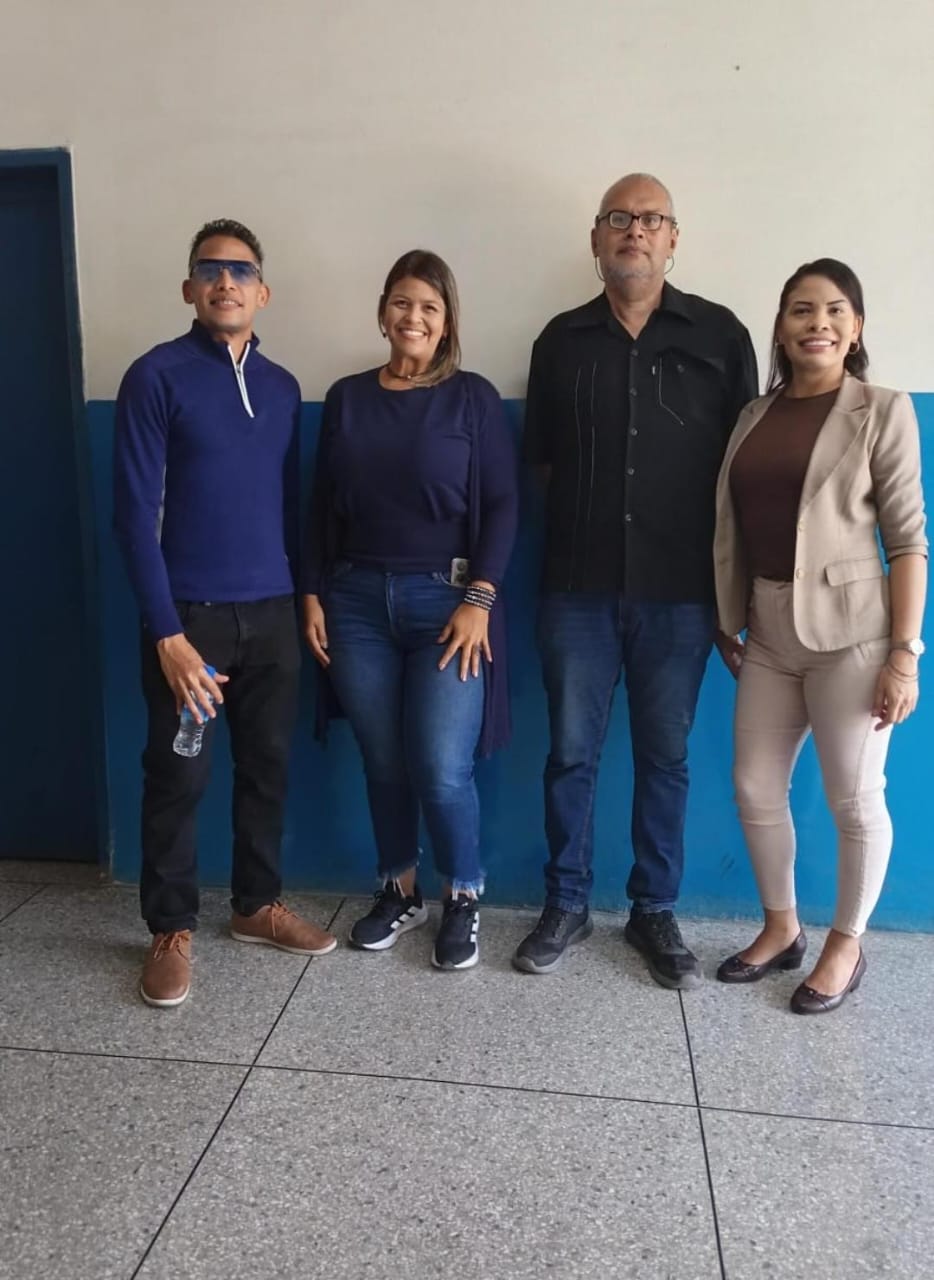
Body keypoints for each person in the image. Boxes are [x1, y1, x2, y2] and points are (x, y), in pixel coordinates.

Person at [514, 173, 758, 986]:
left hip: (682, 593)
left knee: (665, 758)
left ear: (673, 238)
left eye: (651, 219)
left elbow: (743, 469)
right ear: (596, 237)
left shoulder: (720, 336)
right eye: (619, 218)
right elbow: (543, 462)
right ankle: (566, 903)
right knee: (569, 754)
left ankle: (654, 910)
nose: (634, 231)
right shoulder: (559, 341)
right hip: (575, 587)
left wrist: (735, 594)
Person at [114, 218, 337, 1009]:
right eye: (210, 269)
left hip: (271, 616)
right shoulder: (155, 377)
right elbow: (133, 518)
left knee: (268, 769)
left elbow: (290, 507)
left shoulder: (281, 388)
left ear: (262, 292)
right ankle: (170, 929)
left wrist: (304, 597)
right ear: (189, 288)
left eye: (241, 270)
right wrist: (166, 634)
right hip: (192, 624)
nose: (225, 281)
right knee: (179, 775)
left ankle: (255, 906)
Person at [713, 258, 927, 1014]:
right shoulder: (754, 414)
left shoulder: (882, 409)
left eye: (835, 310)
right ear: (780, 327)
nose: (818, 324)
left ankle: (846, 943)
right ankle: (782, 928)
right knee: (753, 787)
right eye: (802, 310)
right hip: (768, 632)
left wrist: (904, 655)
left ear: (856, 327)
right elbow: (734, 526)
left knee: (854, 799)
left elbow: (909, 541)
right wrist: (727, 615)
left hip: (854, 639)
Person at [302, 249, 518, 970]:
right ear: (382, 312)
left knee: (440, 763)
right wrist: (312, 592)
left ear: (447, 320)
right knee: (384, 759)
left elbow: (502, 504)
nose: (413, 317)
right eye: (401, 302)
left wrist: (480, 597)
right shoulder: (346, 398)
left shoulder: (473, 398)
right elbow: (320, 507)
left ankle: (462, 895)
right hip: (355, 603)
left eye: (429, 306)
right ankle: (398, 890)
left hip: (447, 605)